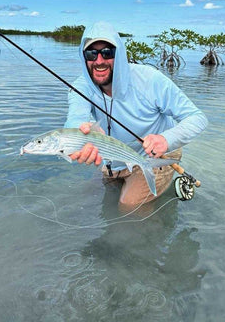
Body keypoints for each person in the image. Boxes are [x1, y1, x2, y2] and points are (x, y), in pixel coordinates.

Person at [65, 21, 208, 208]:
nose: (99, 61)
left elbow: (197, 118)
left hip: (156, 156)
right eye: (91, 54)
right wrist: (79, 133)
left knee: (127, 206)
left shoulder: (149, 79)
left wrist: (165, 139)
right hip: (114, 157)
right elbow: (76, 119)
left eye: (107, 53)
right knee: (85, 198)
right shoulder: (81, 87)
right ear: (84, 58)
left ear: (120, 54)